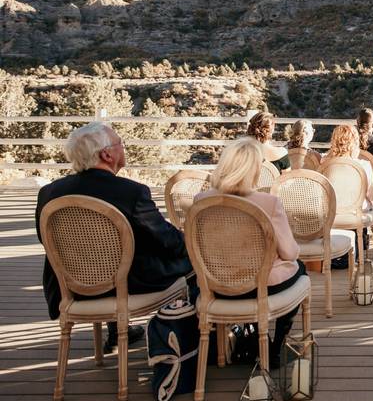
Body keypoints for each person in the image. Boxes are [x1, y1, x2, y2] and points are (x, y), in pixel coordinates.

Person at [35, 122, 192, 353]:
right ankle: (190, 343)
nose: (124, 148)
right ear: (107, 154)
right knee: (193, 260)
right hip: (128, 285)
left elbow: (45, 240)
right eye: (121, 143)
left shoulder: (49, 193)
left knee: (112, 259)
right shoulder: (132, 193)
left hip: (70, 288)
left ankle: (118, 329)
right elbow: (169, 242)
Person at [195, 138, 305, 365]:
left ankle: (253, 336)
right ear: (254, 168)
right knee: (299, 268)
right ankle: (276, 347)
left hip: (216, 286)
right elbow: (289, 253)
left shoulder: (201, 201)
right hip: (260, 285)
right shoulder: (268, 203)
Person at [322, 125, 373, 210]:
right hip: (355, 212)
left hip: (330, 212)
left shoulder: (324, 164)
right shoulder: (364, 165)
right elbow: (370, 195)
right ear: (355, 142)